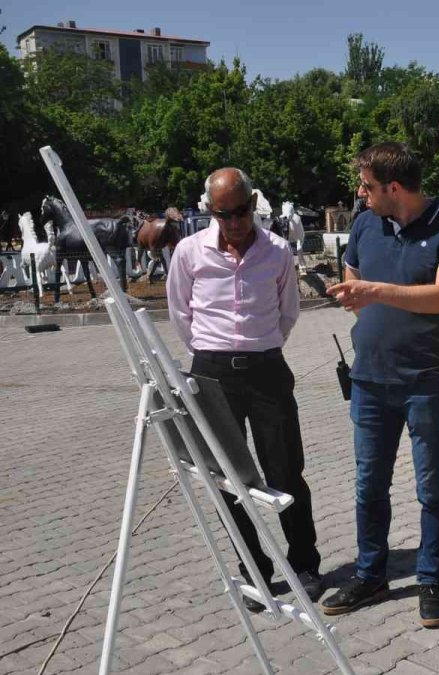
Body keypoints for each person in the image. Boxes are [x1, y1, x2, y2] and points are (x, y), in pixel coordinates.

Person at [318, 143, 439, 628]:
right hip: (369, 381)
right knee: (369, 485)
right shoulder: (365, 224)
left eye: (367, 187)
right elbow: (354, 278)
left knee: (431, 487)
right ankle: (371, 574)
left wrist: (376, 293)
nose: (360, 194)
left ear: (394, 188)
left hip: (428, 382)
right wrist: (355, 295)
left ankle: (432, 580)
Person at [166, 167, 322, 611]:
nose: (233, 222)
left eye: (240, 211)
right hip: (212, 374)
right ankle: (254, 569)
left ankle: (305, 565)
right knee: (229, 478)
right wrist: (211, 353)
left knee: (286, 471)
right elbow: (181, 313)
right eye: (223, 213)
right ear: (210, 210)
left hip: (267, 370)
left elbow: (287, 311)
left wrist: (259, 347)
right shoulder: (189, 252)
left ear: (253, 204)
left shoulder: (276, 252)